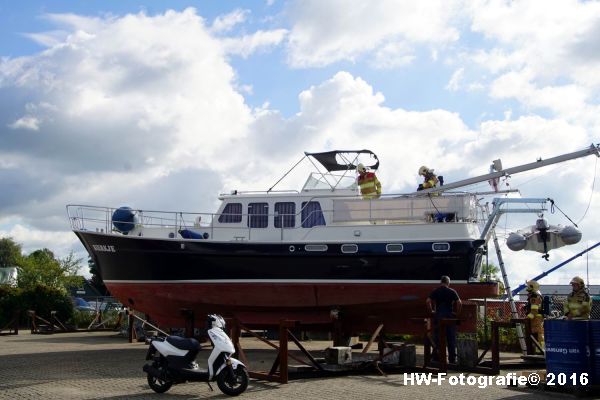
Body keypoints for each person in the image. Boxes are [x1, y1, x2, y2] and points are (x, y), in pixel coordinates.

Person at [426, 276, 462, 364]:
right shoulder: (452, 291)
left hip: (438, 316)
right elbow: (459, 303)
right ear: (448, 283)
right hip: (449, 316)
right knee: (451, 338)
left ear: (441, 282)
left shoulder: (436, 291)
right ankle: (452, 360)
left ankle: (436, 358)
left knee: (437, 338)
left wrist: (431, 311)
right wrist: (457, 313)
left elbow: (427, 301)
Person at [525, 280, 544, 346]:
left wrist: (527, 318)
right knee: (538, 335)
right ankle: (539, 351)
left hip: (535, 319)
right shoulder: (537, 295)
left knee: (537, 335)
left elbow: (534, 311)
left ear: (532, 287)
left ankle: (540, 351)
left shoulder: (534, 296)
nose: (527, 288)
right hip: (537, 318)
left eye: (528, 286)